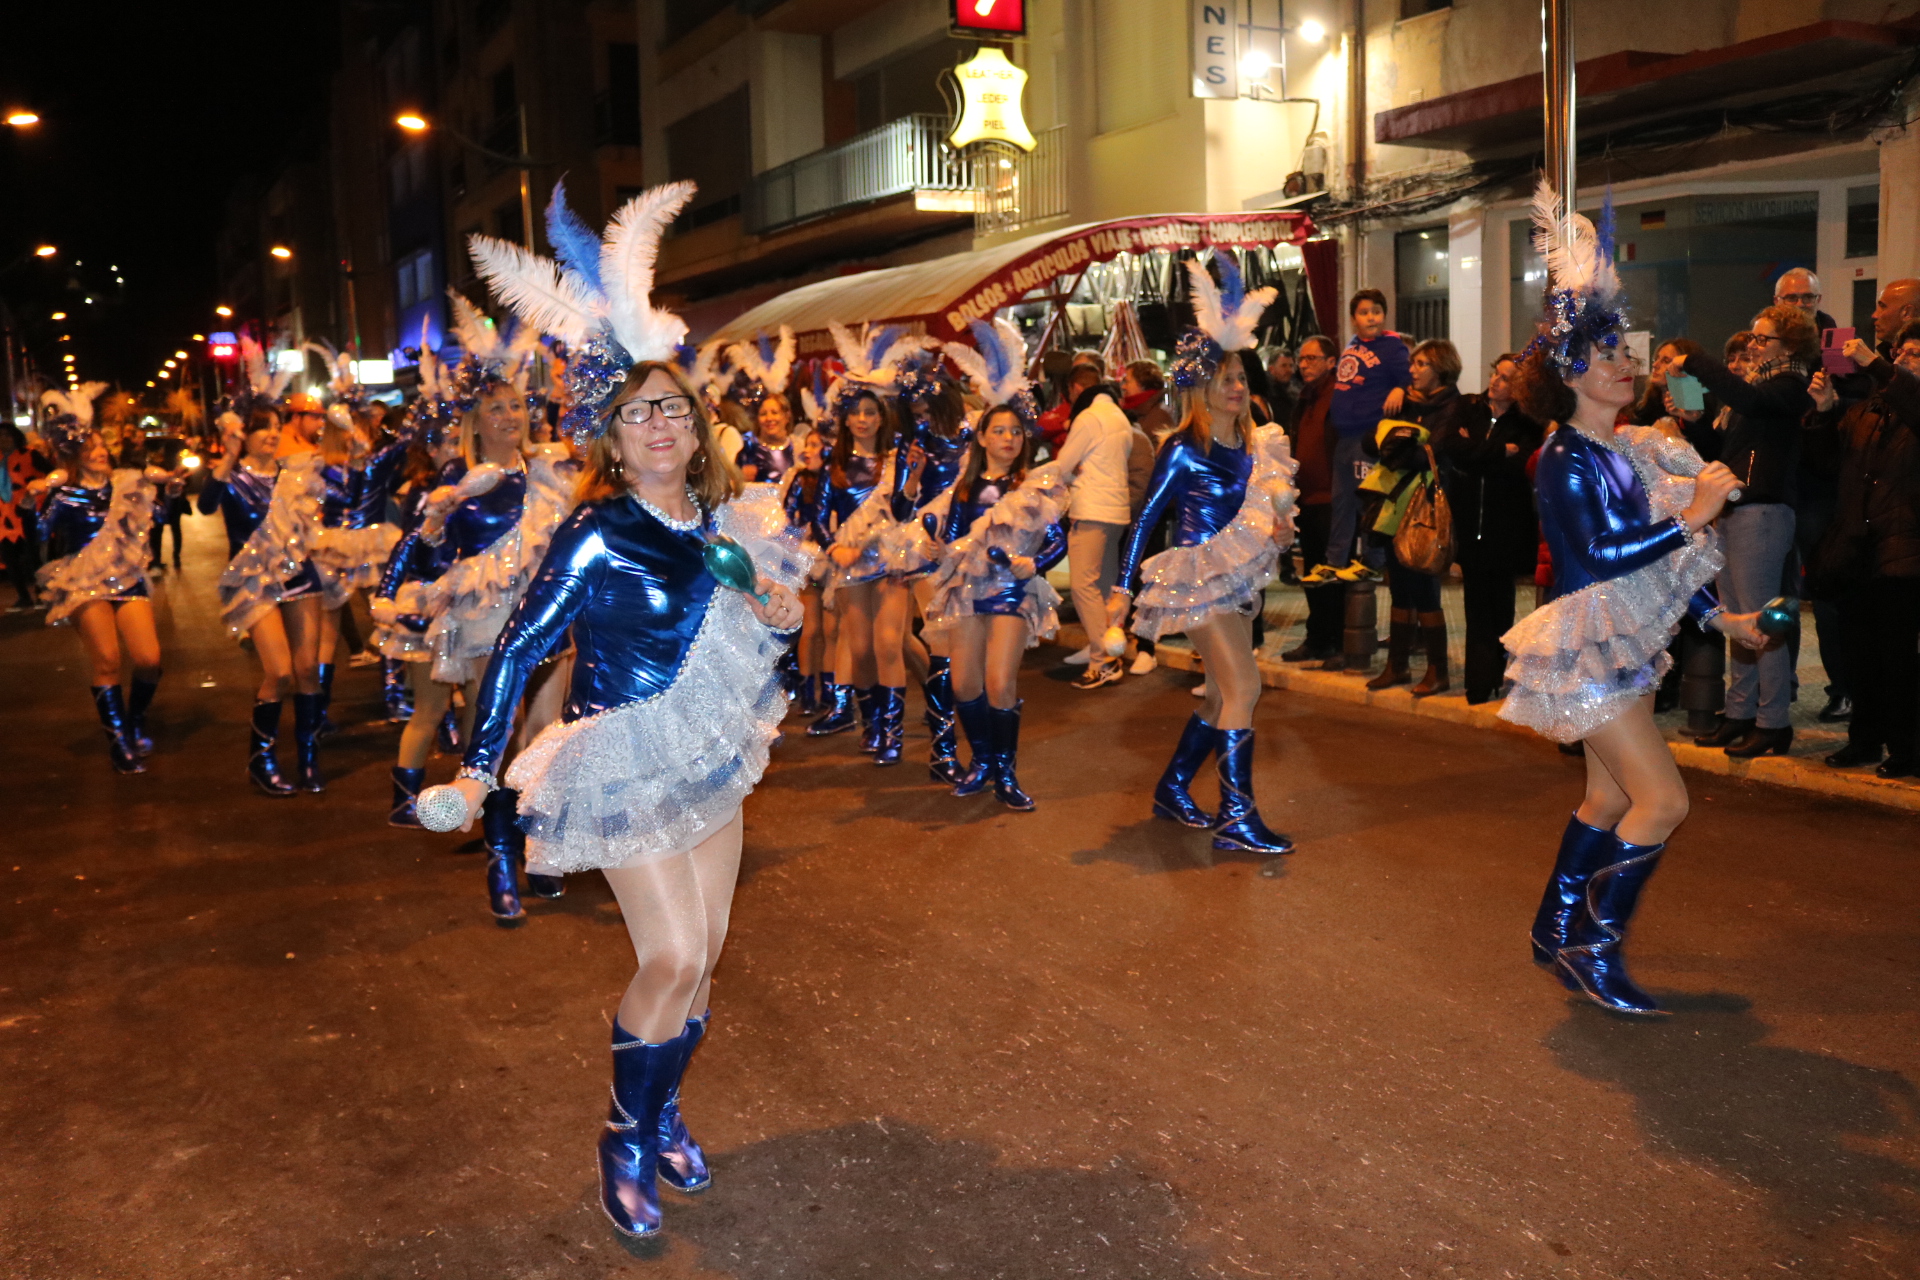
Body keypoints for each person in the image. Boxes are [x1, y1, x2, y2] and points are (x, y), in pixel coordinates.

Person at [453, 178, 809, 1241]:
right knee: (667, 958)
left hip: (706, 748)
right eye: (637, 411)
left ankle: (662, 1112)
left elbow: (752, 619)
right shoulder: (596, 529)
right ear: (613, 433)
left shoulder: (720, 517)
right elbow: (521, 644)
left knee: (703, 957)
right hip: (625, 749)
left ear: (697, 427)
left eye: (672, 407)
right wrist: (479, 769)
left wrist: (777, 603)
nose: (658, 422)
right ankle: (622, 1131)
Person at [1504, 183, 1766, 1016]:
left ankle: (1556, 929)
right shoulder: (1564, 456)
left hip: (1614, 642)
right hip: (1586, 649)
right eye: (1610, 355)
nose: (1628, 364)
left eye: (1628, 351)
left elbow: (1657, 572)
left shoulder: (1630, 450)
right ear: (1570, 370)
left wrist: (1720, 617)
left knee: (1611, 797)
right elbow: (1596, 557)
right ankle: (1593, 949)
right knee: (1663, 800)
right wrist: (1694, 514)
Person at [1112, 258, 1300, 854]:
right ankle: (1236, 817)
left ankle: (1172, 786)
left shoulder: (1257, 441)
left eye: (1241, 376)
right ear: (1200, 387)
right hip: (1194, 579)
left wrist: (1280, 530)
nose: (1237, 387)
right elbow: (1146, 518)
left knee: (1221, 695)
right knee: (1244, 687)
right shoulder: (1182, 449)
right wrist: (1121, 588)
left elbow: (1267, 512)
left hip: (1240, 579)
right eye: (1224, 378)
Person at [1673, 306, 1816, 758]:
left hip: (1765, 510)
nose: (1752, 346)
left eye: (1761, 339)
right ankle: (1739, 714)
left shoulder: (1790, 385)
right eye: (1753, 338)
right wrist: (1696, 423)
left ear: (1788, 345)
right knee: (1736, 617)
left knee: (1760, 618)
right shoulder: (1758, 388)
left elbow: (1752, 405)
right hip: (1736, 507)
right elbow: (1724, 453)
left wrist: (1693, 359)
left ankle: (1772, 721)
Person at [924, 375, 1067, 810]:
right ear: (982, 437)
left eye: (1016, 432)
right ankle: (982, 761)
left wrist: (1036, 562)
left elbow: (1058, 539)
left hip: (1012, 591)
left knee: (999, 681)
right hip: (967, 591)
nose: (1008, 438)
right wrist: (937, 549)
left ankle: (1006, 772)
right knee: (965, 683)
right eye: (999, 431)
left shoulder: (1032, 486)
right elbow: (951, 541)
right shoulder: (964, 489)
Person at [28, 385, 164, 774]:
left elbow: (158, 516)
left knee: (149, 660)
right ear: (75, 455)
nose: (100, 451)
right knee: (107, 659)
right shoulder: (65, 495)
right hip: (84, 581)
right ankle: (119, 740)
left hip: (126, 577)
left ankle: (135, 717)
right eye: (90, 448)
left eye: (102, 444)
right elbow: (40, 535)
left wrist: (167, 491)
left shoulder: (127, 483)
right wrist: (33, 501)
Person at [1806, 328, 1920, 778]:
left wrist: (1876, 365)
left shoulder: (1909, 404)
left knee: (1898, 660)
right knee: (1861, 655)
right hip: (1858, 551)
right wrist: (1822, 413)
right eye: (1902, 351)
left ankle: (1907, 750)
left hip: (1906, 552)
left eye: (1917, 352)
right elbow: (1826, 465)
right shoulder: (1869, 410)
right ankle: (1865, 740)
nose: (1906, 357)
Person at [199, 405, 329, 796]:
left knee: (308, 669)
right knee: (280, 672)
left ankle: (308, 758)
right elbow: (205, 505)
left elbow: (340, 495)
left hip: (299, 576)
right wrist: (228, 456)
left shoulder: (294, 474)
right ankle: (262, 759)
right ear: (245, 434)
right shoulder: (232, 477)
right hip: (254, 582)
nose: (272, 434)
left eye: (276, 427)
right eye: (262, 428)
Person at [1438, 352, 1543, 703]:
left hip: (1507, 526)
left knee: (1503, 603)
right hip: (1470, 525)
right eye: (1496, 374)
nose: (1496, 382)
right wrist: (1500, 451)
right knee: (1475, 605)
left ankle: (1499, 671)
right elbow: (1451, 446)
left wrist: (1480, 451)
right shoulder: (1469, 408)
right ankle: (1478, 682)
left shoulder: (1527, 422)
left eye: (1506, 379)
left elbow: (1523, 464)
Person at [1370, 338, 1466, 696]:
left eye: (1421, 364)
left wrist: (1397, 446)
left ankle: (1437, 671)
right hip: (1397, 504)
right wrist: (1396, 440)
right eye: (1412, 364)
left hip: (1427, 505)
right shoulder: (1405, 402)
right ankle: (1397, 666)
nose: (1413, 370)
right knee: (1399, 586)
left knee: (1425, 586)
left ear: (1440, 367)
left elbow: (1432, 452)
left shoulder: (1455, 406)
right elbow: (1376, 441)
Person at [1321, 289, 1410, 583]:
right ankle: (1334, 560)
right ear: (1353, 318)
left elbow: (1407, 378)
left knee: (1369, 502)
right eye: (1363, 312)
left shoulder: (1392, 346)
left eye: (1376, 311)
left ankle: (1372, 561)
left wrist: (1400, 388)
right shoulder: (1353, 344)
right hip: (1344, 437)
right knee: (1342, 501)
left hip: (1368, 436)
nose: (1371, 317)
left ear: (1384, 315)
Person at [1053, 375, 1135, 689]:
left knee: (1083, 585)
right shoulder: (1120, 418)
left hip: (1091, 510)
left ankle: (1103, 660)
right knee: (1103, 588)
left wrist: (1073, 474)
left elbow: (1063, 464)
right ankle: (1108, 651)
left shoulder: (1089, 418)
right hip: (1116, 511)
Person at [1281, 335, 1343, 665]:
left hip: (1333, 496)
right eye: (1301, 359)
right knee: (1313, 572)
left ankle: (1337, 641)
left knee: (1332, 574)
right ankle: (1317, 637)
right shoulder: (1304, 396)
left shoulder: (1339, 395)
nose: (1304, 365)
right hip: (1307, 496)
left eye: (1312, 358)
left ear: (1331, 362)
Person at [0, 424, 44, 611]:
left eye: (8, 435)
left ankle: (43, 594)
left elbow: (52, 476)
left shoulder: (29, 454)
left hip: (26, 512)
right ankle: (23, 597)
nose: (4, 439)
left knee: (34, 557)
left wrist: (35, 491)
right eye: (1, 436)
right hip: (3, 516)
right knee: (10, 558)